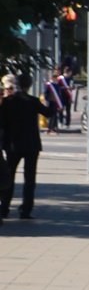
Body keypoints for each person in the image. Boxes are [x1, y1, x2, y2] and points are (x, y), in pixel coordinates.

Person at [0, 73, 50, 221]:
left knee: (9, 176)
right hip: (31, 144)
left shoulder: (8, 101)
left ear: (17, 84)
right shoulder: (33, 101)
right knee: (30, 178)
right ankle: (26, 210)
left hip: (13, 144)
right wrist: (51, 101)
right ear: (29, 85)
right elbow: (48, 113)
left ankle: (4, 208)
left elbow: (2, 123)